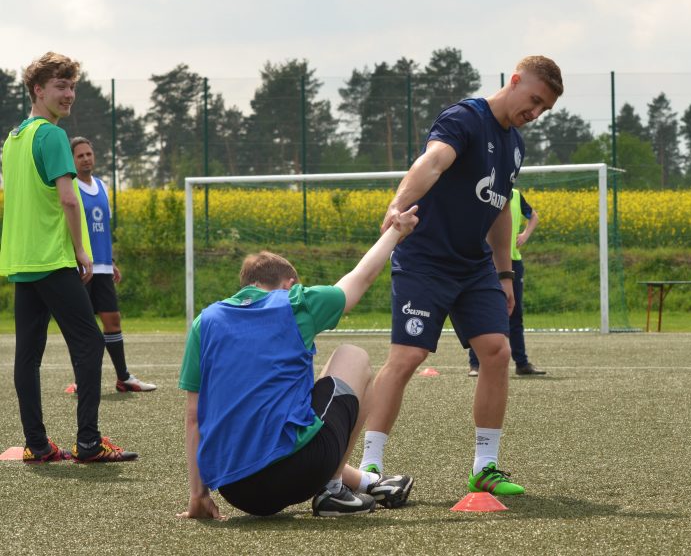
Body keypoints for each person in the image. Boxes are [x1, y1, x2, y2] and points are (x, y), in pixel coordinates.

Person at [357, 55, 563, 496]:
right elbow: (431, 163)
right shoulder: (465, 118)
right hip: (425, 259)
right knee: (407, 358)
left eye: (544, 108)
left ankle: (485, 467)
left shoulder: (515, 146)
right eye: (534, 100)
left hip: (474, 266)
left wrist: (505, 273)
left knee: (496, 351)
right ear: (515, 81)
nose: (536, 113)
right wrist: (396, 206)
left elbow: (501, 210)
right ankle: (370, 465)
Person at [177, 206, 419, 519]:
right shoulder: (294, 301)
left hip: (239, 492)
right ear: (289, 283)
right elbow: (361, 277)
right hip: (302, 469)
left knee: (295, 411)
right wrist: (396, 232)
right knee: (352, 356)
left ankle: (365, 481)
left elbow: (194, 417)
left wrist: (198, 495)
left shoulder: (203, 322)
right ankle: (331, 490)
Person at [0, 52, 136, 463]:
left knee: (27, 355)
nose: (69, 94)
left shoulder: (13, 138)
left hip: (23, 262)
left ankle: (37, 445)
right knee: (90, 344)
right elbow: (67, 200)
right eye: (60, 86)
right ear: (38, 90)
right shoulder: (52, 136)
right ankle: (90, 443)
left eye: (72, 86)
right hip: (53, 259)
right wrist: (82, 252)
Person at [70, 137, 157, 393]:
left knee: (113, 320)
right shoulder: (69, 188)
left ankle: (124, 378)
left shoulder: (102, 186)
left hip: (104, 268)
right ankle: (81, 380)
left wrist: (112, 261)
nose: (86, 158)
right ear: (72, 160)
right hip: (81, 269)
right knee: (83, 327)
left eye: (89, 154)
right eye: (80, 155)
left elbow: (103, 229)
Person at [468, 188, 546, 377]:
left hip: (513, 262)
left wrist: (525, 235)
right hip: (485, 262)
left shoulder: (517, 195)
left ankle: (522, 363)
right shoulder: (483, 192)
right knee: (481, 311)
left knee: (515, 313)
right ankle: (475, 364)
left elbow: (533, 216)